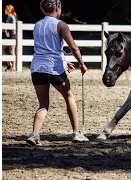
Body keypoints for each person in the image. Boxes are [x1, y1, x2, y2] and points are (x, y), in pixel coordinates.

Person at [26, 0, 89, 145]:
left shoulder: (37, 25)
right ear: (58, 8)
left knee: (43, 104)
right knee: (69, 97)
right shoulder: (61, 25)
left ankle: (34, 135)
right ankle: (76, 133)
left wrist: (64, 61)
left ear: (43, 9)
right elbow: (73, 47)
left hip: (37, 68)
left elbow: (45, 47)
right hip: (54, 69)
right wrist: (82, 64)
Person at [2, 4, 17, 71]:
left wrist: (7, 30)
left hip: (12, 35)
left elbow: (13, 26)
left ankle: (13, 67)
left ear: (9, 10)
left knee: (12, 51)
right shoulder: (8, 18)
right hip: (8, 35)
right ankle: (9, 64)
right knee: (2, 49)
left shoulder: (12, 17)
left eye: (6, 9)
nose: (4, 10)